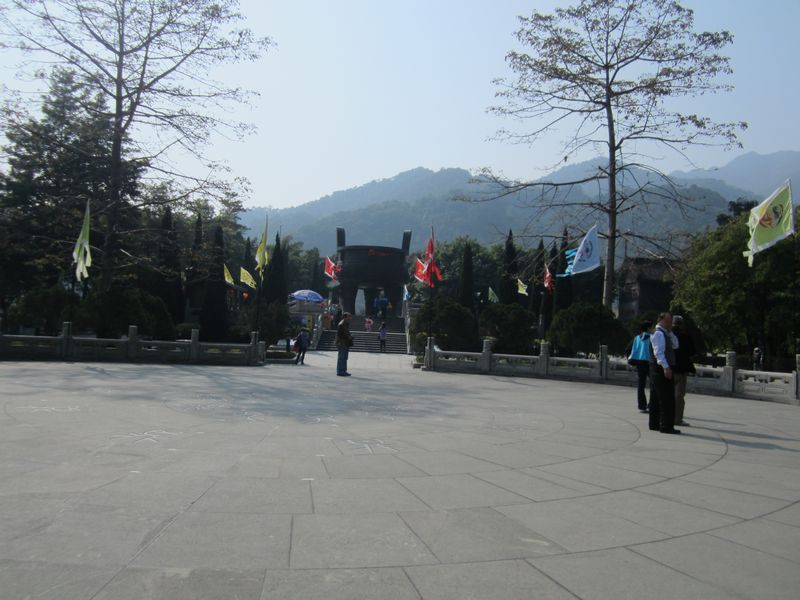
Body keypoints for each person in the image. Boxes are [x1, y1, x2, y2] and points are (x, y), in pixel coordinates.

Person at [648, 312, 681, 434]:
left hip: (658, 367)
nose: (669, 324)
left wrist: (670, 332)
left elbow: (676, 345)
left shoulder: (665, 333)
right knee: (666, 398)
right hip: (661, 367)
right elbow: (659, 353)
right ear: (659, 320)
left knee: (656, 397)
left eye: (670, 322)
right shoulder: (658, 333)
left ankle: (654, 423)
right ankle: (666, 426)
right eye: (667, 321)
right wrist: (666, 368)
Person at [672, 315, 695, 427]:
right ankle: (677, 419)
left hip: (668, 368)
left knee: (667, 394)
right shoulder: (686, 337)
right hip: (681, 370)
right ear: (682, 325)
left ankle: (665, 417)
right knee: (679, 396)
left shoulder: (667, 335)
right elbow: (692, 352)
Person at [627, 321, 652, 413]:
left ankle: (642, 405)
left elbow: (628, 349)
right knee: (654, 384)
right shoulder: (651, 337)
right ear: (648, 328)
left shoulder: (637, 338)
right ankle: (651, 405)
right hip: (649, 363)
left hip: (639, 363)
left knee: (641, 385)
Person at [336, 312, 353, 376]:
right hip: (342, 343)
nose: (350, 318)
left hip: (345, 342)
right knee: (341, 357)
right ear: (345, 317)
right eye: (349, 316)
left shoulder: (345, 323)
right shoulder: (342, 324)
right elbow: (343, 334)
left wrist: (350, 336)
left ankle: (344, 370)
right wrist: (349, 337)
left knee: (345, 357)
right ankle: (340, 371)